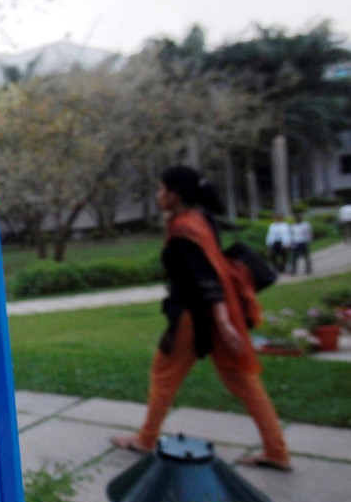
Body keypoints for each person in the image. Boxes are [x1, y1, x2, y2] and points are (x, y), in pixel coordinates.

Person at [112, 166, 291, 471]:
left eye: (161, 189)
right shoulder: (200, 220)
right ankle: (277, 451)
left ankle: (145, 439)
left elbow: (206, 276)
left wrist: (222, 322)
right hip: (210, 314)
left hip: (193, 316)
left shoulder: (184, 231)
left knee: (164, 376)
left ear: (174, 195)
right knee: (242, 380)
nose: (158, 195)